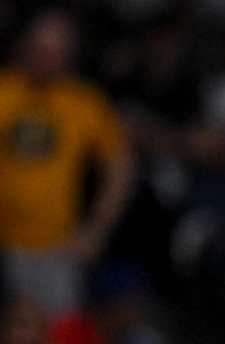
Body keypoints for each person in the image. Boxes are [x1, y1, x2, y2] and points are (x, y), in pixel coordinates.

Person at [0, 10, 134, 314]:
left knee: (59, 333)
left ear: (70, 54)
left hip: (57, 246)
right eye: (39, 48)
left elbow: (120, 165)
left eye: (55, 51)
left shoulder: (84, 102)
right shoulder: (4, 89)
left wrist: (97, 228)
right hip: (4, 244)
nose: (45, 58)